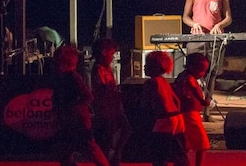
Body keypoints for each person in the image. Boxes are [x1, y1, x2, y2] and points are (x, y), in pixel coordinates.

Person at [181, 0, 231, 120]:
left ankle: (207, 107)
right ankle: (193, 106)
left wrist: (220, 25)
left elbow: (228, 18)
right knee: (194, 73)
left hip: (214, 39)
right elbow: (185, 17)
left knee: (211, 73)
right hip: (197, 38)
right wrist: (194, 23)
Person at [50, 44, 109, 166]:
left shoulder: (71, 77)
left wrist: (74, 109)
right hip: (72, 117)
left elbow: (87, 95)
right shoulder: (65, 77)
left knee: (88, 146)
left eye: (56, 60)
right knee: (67, 150)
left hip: (76, 118)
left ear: (63, 61)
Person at [142, 50, 188, 166]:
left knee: (159, 153)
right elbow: (176, 101)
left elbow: (145, 104)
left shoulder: (151, 82)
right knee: (178, 151)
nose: (144, 66)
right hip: (177, 117)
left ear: (154, 67)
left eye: (147, 64)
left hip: (164, 119)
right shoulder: (164, 82)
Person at [91, 38, 132, 166]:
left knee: (125, 130)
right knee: (107, 139)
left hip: (114, 108)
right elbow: (103, 91)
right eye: (111, 53)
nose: (113, 57)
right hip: (106, 111)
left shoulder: (106, 68)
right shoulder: (99, 69)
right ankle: (110, 159)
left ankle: (115, 156)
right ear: (104, 52)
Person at [173, 53, 211, 166]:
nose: (203, 73)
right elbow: (193, 87)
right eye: (201, 70)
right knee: (202, 143)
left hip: (183, 113)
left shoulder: (181, 76)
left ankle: (180, 163)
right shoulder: (189, 78)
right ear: (191, 67)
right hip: (190, 114)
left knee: (186, 142)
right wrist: (202, 101)